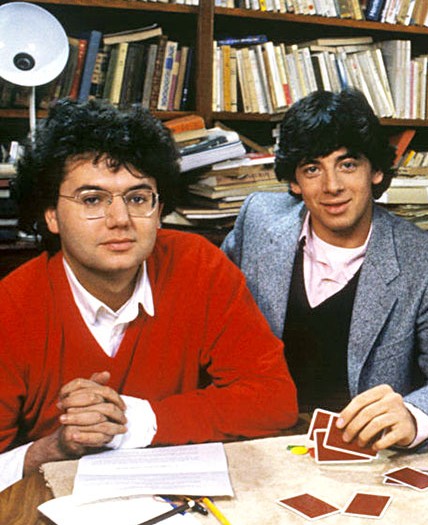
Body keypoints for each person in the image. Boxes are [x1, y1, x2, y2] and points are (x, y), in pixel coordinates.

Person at [0, 99, 298, 493]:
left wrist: (135, 420)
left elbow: (274, 400)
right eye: (92, 199)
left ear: (159, 210)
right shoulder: (11, 307)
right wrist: (55, 446)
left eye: (138, 198)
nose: (120, 219)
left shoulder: (199, 266)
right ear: (51, 214)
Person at [222, 89, 428, 452]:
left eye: (347, 165)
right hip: (255, 438)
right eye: (312, 169)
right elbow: (205, 318)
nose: (332, 186)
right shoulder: (258, 220)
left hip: (361, 453)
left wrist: (413, 417)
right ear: (295, 181)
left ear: (375, 170)